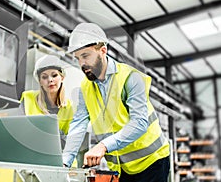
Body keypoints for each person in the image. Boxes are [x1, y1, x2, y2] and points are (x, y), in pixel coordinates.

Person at [62, 23, 170, 182]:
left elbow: (140, 122)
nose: (81, 64)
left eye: (85, 56)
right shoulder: (85, 87)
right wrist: (65, 162)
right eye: (78, 58)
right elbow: (78, 124)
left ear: (103, 51)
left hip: (153, 161)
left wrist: (102, 146)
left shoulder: (131, 78)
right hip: (122, 167)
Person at [19, 54, 74, 150]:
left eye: (54, 75)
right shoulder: (27, 99)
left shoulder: (70, 108)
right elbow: (18, 132)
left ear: (62, 77)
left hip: (58, 160)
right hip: (31, 155)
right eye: (44, 77)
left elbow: (70, 144)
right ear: (40, 81)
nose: (50, 80)